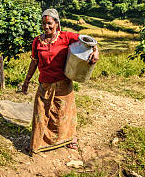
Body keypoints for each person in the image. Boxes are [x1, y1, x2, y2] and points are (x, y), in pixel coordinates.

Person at [21, 8, 99, 154]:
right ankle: (37, 144)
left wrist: (96, 50)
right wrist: (26, 81)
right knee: (40, 114)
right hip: (45, 83)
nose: (46, 27)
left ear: (56, 23)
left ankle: (69, 139)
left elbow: (88, 40)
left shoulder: (65, 37)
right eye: (43, 24)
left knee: (63, 114)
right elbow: (34, 61)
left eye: (49, 23)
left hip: (63, 84)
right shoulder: (37, 41)